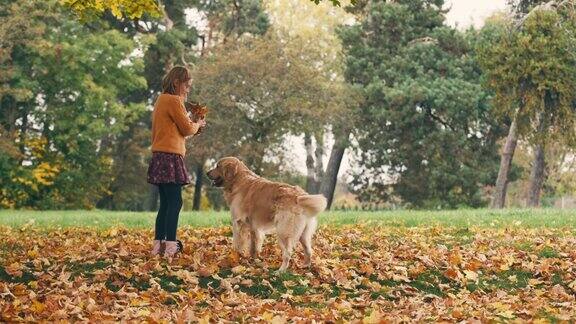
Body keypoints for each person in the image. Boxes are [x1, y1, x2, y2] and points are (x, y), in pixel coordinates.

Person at [147, 66, 206, 257]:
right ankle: (171, 247)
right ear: (176, 83)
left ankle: (159, 245)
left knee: (165, 203)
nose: (188, 90)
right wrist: (197, 124)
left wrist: (193, 126)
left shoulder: (161, 100)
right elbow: (187, 128)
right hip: (170, 158)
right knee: (175, 202)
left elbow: (177, 132)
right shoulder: (174, 100)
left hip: (160, 156)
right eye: (186, 85)